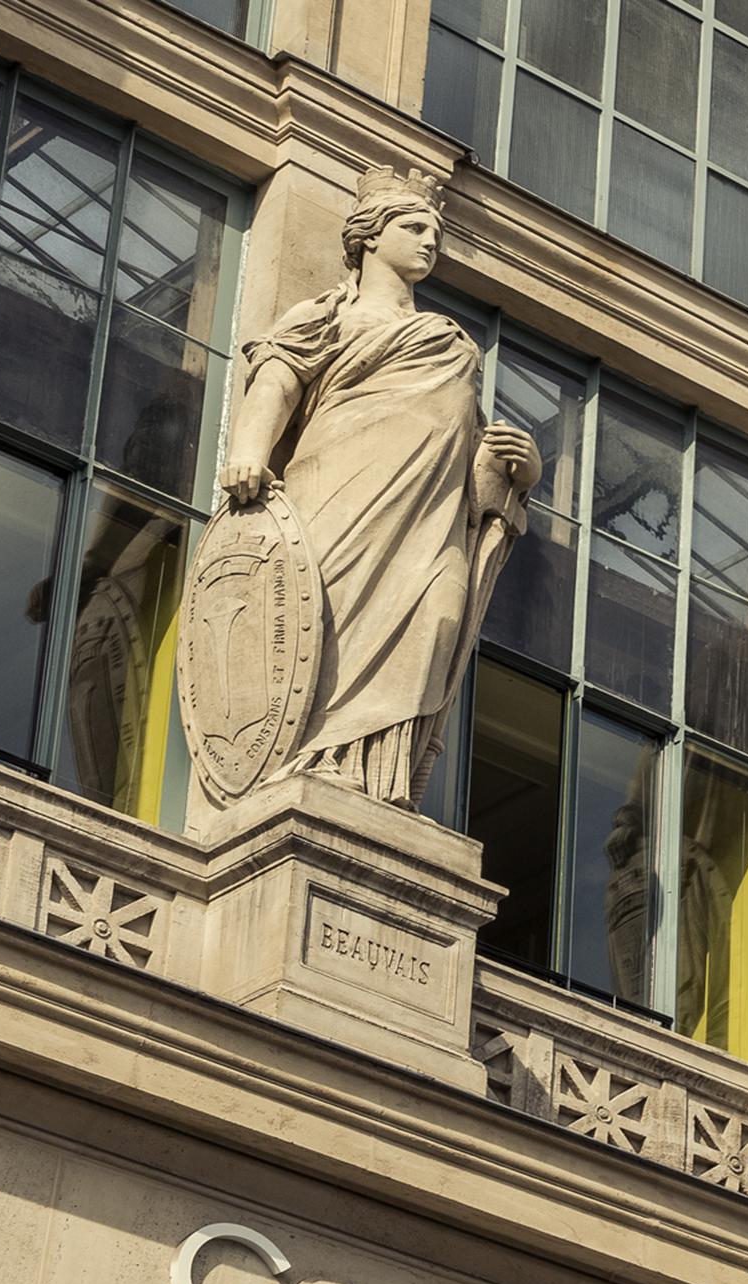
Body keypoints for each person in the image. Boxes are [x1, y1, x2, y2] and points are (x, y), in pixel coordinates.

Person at [212, 167, 539, 806]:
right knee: (323, 626)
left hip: (433, 517)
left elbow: (467, 448)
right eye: (413, 228)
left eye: (436, 233)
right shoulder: (325, 316)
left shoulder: (449, 341)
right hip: (340, 496)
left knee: (438, 617)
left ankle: (376, 778)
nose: (428, 242)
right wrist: (249, 450)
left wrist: (518, 469)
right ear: (368, 237)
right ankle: (314, 757)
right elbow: (276, 382)